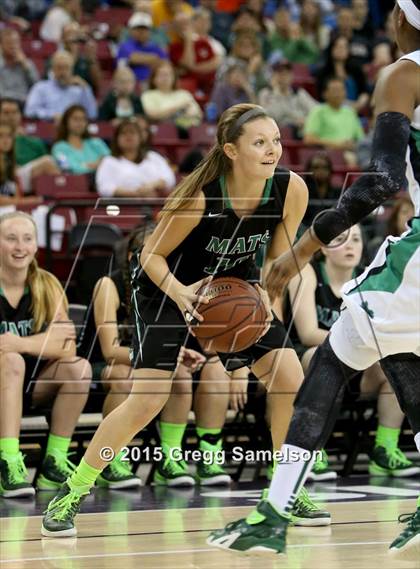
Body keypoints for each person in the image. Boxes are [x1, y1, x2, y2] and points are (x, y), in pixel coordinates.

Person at [42, 103, 331, 537]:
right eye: (259, 143)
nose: (273, 150)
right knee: (147, 400)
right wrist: (181, 293)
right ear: (231, 151)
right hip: (165, 288)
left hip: (233, 287)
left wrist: (265, 297)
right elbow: (149, 256)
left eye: (275, 140)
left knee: (289, 375)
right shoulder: (199, 197)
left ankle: (285, 490)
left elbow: (276, 260)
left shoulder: (291, 190)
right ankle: (73, 490)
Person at [208, 1, 420, 560]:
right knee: (400, 354)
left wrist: (299, 250)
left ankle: (275, 512)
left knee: (331, 362)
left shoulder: (405, 73)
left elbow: (381, 183)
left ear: (402, 17)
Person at [288, 225, 419, 480]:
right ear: (324, 247)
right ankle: (313, 450)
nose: (350, 245)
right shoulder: (308, 273)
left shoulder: (369, 277)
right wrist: (359, 340)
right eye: (340, 239)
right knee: (313, 353)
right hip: (312, 362)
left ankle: (385, 448)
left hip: (361, 368)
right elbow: (307, 332)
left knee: (395, 359)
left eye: (356, 239)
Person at [0, 211, 92, 497]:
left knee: (79, 368)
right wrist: (42, 341)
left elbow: (67, 347)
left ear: (36, 245)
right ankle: (9, 462)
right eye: (11, 239)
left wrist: (20, 343)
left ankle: (54, 462)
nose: (20, 247)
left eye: (27, 239)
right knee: (11, 361)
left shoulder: (46, 283)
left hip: (34, 384)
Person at [96, 117, 176, 198]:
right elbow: (104, 188)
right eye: (123, 133)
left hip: (155, 204)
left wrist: (152, 185)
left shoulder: (153, 157)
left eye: (133, 132)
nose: (128, 136)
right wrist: (133, 194)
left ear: (140, 137)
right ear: (116, 138)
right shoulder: (108, 161)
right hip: (123, 206)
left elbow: (170, 179)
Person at [0, 98, 60, 194]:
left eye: (15, 112)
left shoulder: (35, 142)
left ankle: (62, 199)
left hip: (26, 178)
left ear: (20, 115)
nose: (11, 117)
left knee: (48, 162)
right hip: (8, 177)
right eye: (6, 113)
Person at [303, 76, 365, 165]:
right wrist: (336, 144)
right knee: (350, 159)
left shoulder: (350, 112)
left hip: (352, 152)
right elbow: (308, 139)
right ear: (325, 94)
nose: (338, 93)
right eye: (334, 90)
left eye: (341, 90)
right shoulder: (318, 111)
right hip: (327, 154)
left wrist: (351, 145)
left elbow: (361, 139)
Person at [24, 51, 97, 121]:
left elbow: (92, 114)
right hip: (47, 127)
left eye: (66, 68)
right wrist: (52, 115)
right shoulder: (40, 88)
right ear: (53, 69)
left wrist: (86, 89)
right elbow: (29, 111)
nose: (63, 72)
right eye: (59, 68)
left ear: (72, 70)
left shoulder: (80, 90)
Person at [258, 60, 317, 137]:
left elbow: (316, 111)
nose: (283, 77)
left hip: (299, 133)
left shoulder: (298, 93)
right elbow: (269, 117)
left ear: (291, 76)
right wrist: (277, 93)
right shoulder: (266, 94)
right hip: (275, 134)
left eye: (286, 74)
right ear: (273, 76)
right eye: (280, 74)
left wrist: (306, 121)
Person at [314, 35, 370, 113]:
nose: (341, 49)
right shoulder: (323, 73)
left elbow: (364, 92)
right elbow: (321, 97)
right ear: (331, 49)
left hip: (355, 109)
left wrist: (358, 104)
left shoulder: (356, 70)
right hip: (331, 110)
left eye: (344, 47)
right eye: (338, 46)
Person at [141, 61, 202, 129]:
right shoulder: (148, 95)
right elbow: (152, 114)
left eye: (168, 74)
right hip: (160, 130)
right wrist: (179, 106)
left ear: (174, 77)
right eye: (161, 74)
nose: (165, 78)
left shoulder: (184, 94)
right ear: (153, 79)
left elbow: (197, 114)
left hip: (187, 129)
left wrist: (190, 114)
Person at [52, 105, 110, 175]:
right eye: (75, 119)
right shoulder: (59, 147)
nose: (80, 123)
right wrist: (93, 166)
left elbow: (111, 162)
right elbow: (67, 169)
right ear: (66, 122)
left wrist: (100, 164)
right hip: (76, 182)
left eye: (83, 119)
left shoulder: (96, 142)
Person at [116, 12, 167, 85]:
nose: (141, 32)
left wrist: (143, 59)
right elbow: (133, 57)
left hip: (154, 84)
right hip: (132, 84)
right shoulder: (125, 46)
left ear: (150, 31)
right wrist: (154, 58)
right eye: (138, 28)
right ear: (131, 30)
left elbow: (165, 63)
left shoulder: (156, 47)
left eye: (144, 29)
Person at [0, 122, 43, 205]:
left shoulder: (11, 165)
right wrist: (27, 201)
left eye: (9, 136)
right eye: (0, 136)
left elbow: (17, 197)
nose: (5, 140)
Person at [0, 28, 39, 105]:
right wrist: (23, 98)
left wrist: (26, 67)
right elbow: (1, 94)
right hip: (4, 105)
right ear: (1, 45)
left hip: (26, 105)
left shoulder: (27, 64)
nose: (13, 46)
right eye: (9, 43)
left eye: (16, 42)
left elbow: (37, 87)